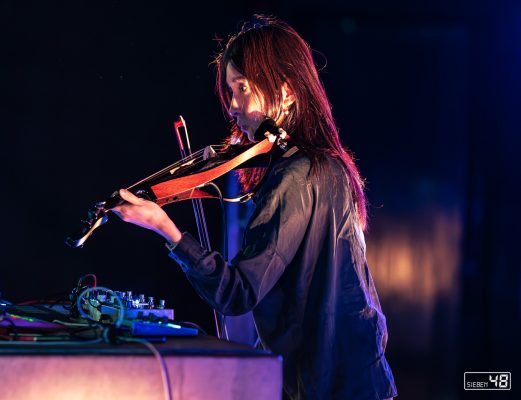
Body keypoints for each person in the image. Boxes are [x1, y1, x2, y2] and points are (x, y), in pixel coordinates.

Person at [112, 15, 398, 400]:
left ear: (286, 91)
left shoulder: (297, 175)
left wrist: (167, 229)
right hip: (360, 380)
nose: (232, 106)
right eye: (230, 90)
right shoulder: (328, 165)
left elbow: (238, 292)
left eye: (242, 88)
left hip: (328, 387)